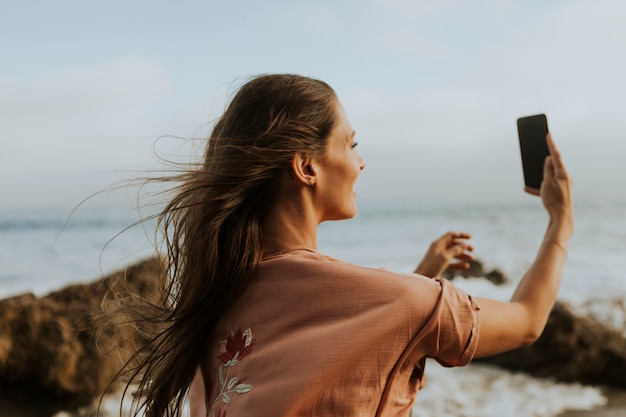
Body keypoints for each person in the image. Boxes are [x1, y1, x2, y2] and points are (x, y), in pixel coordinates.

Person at [125, 74, 573, 417]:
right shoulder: (403, 302)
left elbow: (332, 349)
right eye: (351, 143)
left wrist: (422, 277)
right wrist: (562, 220)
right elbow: (527, 321)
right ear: (306, 166)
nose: (360, 160)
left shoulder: (212, 301)